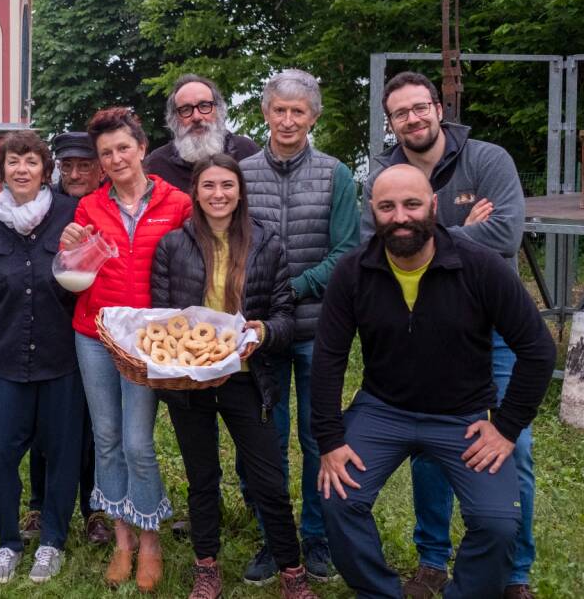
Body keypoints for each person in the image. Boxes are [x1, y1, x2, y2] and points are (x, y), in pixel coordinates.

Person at [312, 164, 556, 598]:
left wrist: (505, 427)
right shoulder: (352, 272)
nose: (400, 216)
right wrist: (330, 441)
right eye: (387, 207)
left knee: (498, 524)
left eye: (411, 204)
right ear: (373, 212)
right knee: (338, 499)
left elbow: (538, 348)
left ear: (434, 206)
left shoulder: (481, 267)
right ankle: (380, 592)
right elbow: (329, 357)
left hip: (462, 416)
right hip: (382, 409)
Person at [362, 71, 533, 599]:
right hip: (426, 323)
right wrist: (460, 231)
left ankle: (515, 571)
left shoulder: (487, 158)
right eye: (400, 113)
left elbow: (506, 232)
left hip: (494, 322)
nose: (412, 118)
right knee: (430, 444)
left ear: (439, 107)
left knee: (514, 444)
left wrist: (422, 236)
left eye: (419, 107)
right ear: (391, 124)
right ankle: (432, 559)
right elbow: (377, 245)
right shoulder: (384, 172)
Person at [151, 154, 318, 599]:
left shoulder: (266, 243)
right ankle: (207, 566)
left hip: (248, 378)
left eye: (227, 185)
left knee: (268, 478)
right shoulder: (173, 246)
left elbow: (286, 316)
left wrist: (263, 331)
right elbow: (163, 318)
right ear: (196, 192)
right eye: (208, 186)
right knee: (202, 477)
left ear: (240, 190)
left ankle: (291, 571)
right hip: (191, 383)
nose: (218, 194)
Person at [62, 107, 192, 593]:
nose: (115, 159)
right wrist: (69, 246)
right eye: (105, 153)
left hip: (147, 342)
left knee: (138, 443)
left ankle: (151, 540)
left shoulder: (177, 202)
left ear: (142, 148)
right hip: (94, 334)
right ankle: (122, 538)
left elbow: (192, 262)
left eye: (122, 148)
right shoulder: (89, 208)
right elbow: (74, 273)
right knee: (107, 438)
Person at [237, 69, 359, 583]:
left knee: (316, 438)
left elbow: (348, 251)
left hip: (317, 331)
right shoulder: (240, 173)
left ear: (314, 116)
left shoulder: (336, 175)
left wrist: (295, 287)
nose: (288, 120)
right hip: (260, 332)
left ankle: (316, 535)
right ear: (265, 113)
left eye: (298, 111)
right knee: (267, 438)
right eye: (279, 110)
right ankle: (274, 537)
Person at [0, 131, 85, 585]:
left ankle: (52, 542)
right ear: (2, 171)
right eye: (13, 161)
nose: (21, 169)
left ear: (46, 170)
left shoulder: (71, 216)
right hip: (2, 359)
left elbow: (89, 274)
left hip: (61, 358)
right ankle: (7, 542)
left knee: (62, 454)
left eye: (31, 161)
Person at [23, 131, 112, 547]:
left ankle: (95, 509)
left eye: (85, 165)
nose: (76, 173)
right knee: (45, 423)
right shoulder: (46, 208)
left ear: (99, 167)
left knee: (96, 424)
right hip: (50, 329)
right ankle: (39, 504)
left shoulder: (108, 205)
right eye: (68, 165)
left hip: (99, 329)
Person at [144, 73, 258, 192]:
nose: (196, 117)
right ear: (174, 118)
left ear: (218, 110)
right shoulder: (157, 165)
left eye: (204, 106)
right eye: (186, 109)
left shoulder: (247, 152)